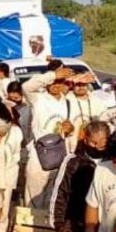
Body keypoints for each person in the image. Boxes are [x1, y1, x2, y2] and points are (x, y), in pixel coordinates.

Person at [21, 62, 78, 209]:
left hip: (59, 156)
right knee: (34, 201)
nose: (55, 84)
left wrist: (70, 129)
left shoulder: (68, 103)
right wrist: (53, 74)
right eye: (52, 81)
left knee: (52, 201)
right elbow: (26, 87)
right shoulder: (38, 98)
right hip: (39, 157)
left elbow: (70, 133)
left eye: (59, 81)